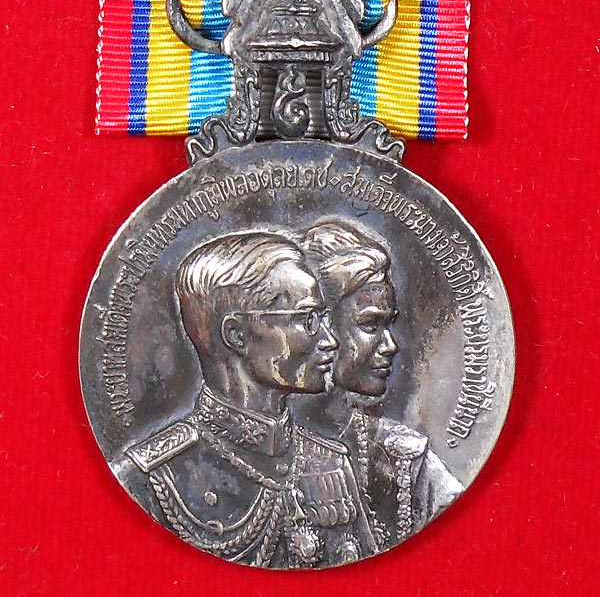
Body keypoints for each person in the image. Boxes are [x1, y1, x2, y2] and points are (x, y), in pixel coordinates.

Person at [125, 231, 377, 567]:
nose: (330, 340)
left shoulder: (331, 463)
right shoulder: (153, 477)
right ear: (237, 335)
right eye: (308, 320)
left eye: (323, 319)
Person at [298, 221, 463, 547]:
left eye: (388, 324)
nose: (390, 345)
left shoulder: (408, 462)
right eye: (370, 324)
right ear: (320, 325)